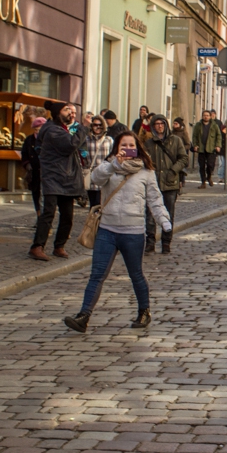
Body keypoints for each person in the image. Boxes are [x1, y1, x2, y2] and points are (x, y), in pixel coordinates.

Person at [63, 130, 171, 333]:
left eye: (131, 146)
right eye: (124, 146)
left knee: (136, 274)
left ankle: (144, 311)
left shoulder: (146, 172)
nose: (128, 149)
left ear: (138, 148)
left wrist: (164, 221)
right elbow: (95, 179)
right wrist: (113, 164)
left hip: (133, 232)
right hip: (107, 230)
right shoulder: (108, 167)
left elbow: (154, 200)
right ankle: (84, 315)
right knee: (97, 274)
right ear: (116, 148)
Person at [29, 101, 85, 262]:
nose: (71, 113)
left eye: (71, 110)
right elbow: (70, 145)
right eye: (66, 110)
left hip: (64, 179)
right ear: (57, 113)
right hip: (53, 178)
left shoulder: (60, 128)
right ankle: (37, 246)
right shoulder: (53, 130)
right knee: (48, 214)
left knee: (67, 216)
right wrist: (83, 128)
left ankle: (59, 246)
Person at [144, 115, 188, 254]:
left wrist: (174, 170)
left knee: (168, 214)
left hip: (170, 183)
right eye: (156, 124)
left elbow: (184, 158)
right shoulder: (149, 143)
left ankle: (166, 242)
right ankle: (150, 242)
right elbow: (144, 160)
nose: (159, 126)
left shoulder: (175, 140)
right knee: (150, 215)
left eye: (162, 123)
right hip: (154, 183)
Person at [84, 116, 113, 208]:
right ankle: (93, 222)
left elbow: (112, 156)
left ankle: (101, 222)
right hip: (92, 176)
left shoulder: (108, 140)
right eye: (95, 125)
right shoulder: (86, 140)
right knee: (93, 205)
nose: (97, 127)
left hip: (105, 176)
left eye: (100, 125)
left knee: (103, 204)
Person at [21, 116, 46, 215]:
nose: (38, 132)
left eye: (40, 129)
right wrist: (27, 164)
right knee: (36, 194)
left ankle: (46, 218)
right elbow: (24, 154)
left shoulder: (49, 139)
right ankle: (39, 216)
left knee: (46, 195)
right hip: (34, 172)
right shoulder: (29, 140)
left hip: (47, 172)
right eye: (36, 130)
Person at [192, 109, 222, 187]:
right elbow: (194, 136)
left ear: (210, 116)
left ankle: (209, 177)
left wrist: (218, 145)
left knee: (210, 165)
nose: (206, 117)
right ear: (202, 116)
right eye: (204, 115)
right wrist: (195, 145)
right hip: (201, 148)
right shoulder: (198, 125)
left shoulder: (214, 125)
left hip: (211, 148)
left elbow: (219, 136)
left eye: (207, 115)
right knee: (201, 166)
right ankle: (203, 182)